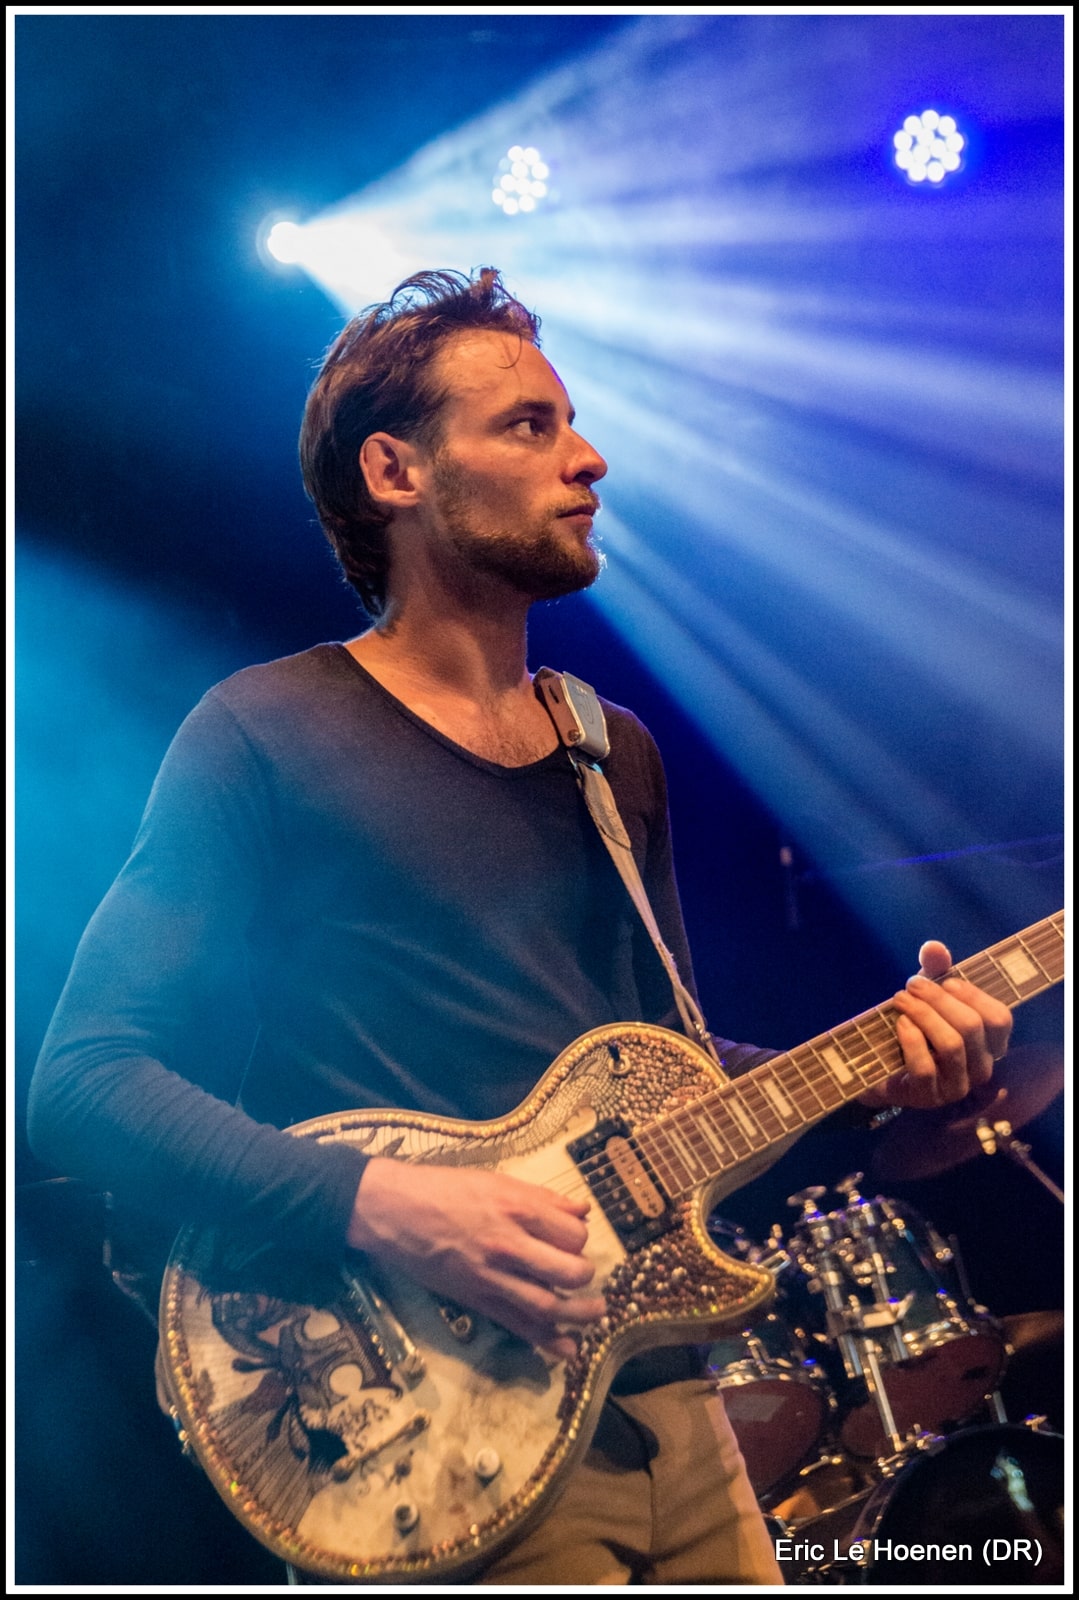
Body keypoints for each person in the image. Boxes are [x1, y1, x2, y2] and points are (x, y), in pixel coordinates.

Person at [28, 267, 1014, 1586]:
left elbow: (673, 1074)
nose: (587, 458)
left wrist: (883, 1079)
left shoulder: (615, 752)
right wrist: (387, 1206)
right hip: (432, 1435)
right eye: (529, 426)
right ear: (396, 471)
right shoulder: (263, 733)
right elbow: (85, 1085)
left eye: (574, 423)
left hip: (677, 1402)